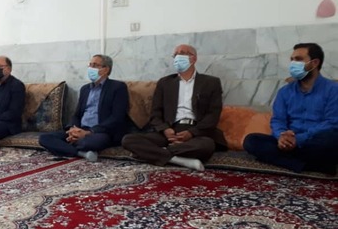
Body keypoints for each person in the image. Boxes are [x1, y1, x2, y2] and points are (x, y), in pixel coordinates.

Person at [121, 44, 226, 171]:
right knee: (128, 140)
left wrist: (191, 133)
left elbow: (213, 115)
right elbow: (155, 113)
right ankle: (178, 159)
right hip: (169, 130)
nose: (178, 56)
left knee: (206, 145)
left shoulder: (211, 82)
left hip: (196, 132)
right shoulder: (165, 83)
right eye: (175, 54)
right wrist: (165, 129)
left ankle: (155, 153)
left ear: (193, 58)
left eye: (182, 53)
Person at [243, 43, 338, 174]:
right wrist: (281, 137)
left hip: (314, 141)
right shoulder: (285, 92)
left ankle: (284, 161)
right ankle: (309, 166)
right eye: (292, 60)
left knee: (330, 139)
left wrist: (298, 139)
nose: (293, 64)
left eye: (298, 59)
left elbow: (332, 123)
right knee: (251, 141)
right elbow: (278, 120)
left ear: (314, 63)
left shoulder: (333, 90)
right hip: (289, 143)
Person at [38, 54, 129, 162]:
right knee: (44, 138)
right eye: (90, 65)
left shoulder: (118, 87)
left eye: (95, 65)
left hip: (101, 132)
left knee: (88, 142)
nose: (91, 68)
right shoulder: (85, 89)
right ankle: (81, 153)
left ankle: (68, 147)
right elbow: (77, 115)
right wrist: (72, 130)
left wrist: (89, 132)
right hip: (81, 129)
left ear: (106, 69)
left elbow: (117, 117)